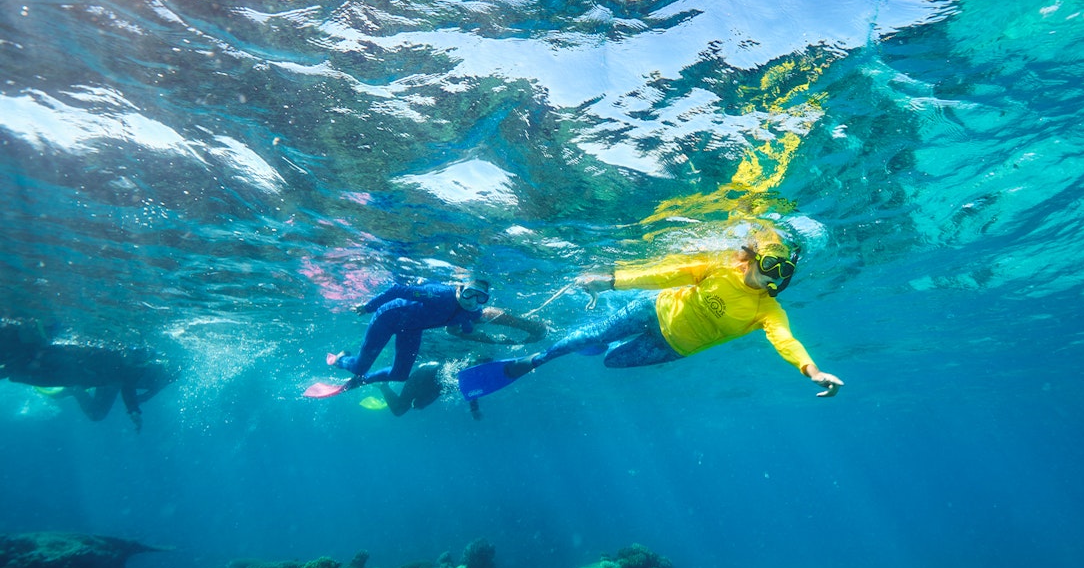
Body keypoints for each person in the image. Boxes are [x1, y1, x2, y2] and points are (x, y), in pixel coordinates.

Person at [495, 231, 843, 396]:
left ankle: (601, 341)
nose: (773, 275)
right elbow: (662, 274)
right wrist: (610, 281)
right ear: (753, 258)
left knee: (610, 361)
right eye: (770, 264)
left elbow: (785, 340)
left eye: (783, 273)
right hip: (653, 308)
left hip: (672, 347)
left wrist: (811, 371)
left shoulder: (768, 309)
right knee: (590, 336)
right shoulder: (717, 268)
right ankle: (536, 359)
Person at [328, 277, 546, 391]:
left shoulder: (470, 312)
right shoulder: (440, 295)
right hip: (387, 318)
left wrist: (490, 338)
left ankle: (364, 382)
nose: (472, 301)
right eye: (469, 293)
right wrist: (368, 307)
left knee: (400, 375)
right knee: (358, 367)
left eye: (480, 297)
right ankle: (341, 360)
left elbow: (465, 328)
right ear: (460, 288)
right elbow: (396, 289)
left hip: (411, 329)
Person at [0, 333, 178, 430]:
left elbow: (131, 388)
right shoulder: (117, 355)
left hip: (79, 376)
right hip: (76, 371)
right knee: (17, 369)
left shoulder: (133, 369)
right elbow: (134, 390)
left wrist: (133, 410)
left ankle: (72, 389)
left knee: (16, 373)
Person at [377, 358, 488, 420]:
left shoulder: (468, 379)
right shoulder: (462, 370)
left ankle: (384, 385)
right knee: (399, 410)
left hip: (433, 384)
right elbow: (469, 388)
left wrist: (474, 408)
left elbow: (471, 390)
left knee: (408, 408)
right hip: (422, 377)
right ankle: (383, 385)